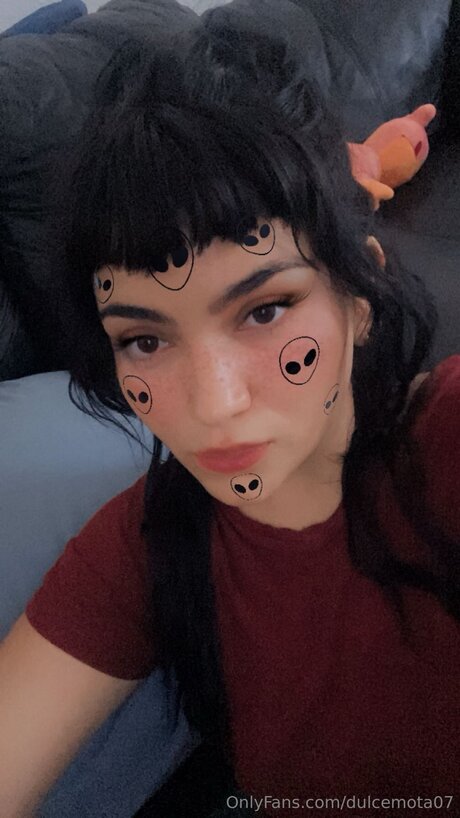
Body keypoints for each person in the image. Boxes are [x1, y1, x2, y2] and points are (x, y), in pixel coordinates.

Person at [1, 15, 459, 818]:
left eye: (264, 310)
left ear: (358, 300)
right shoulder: (148, 546)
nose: (213, 405)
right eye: (145, 339)